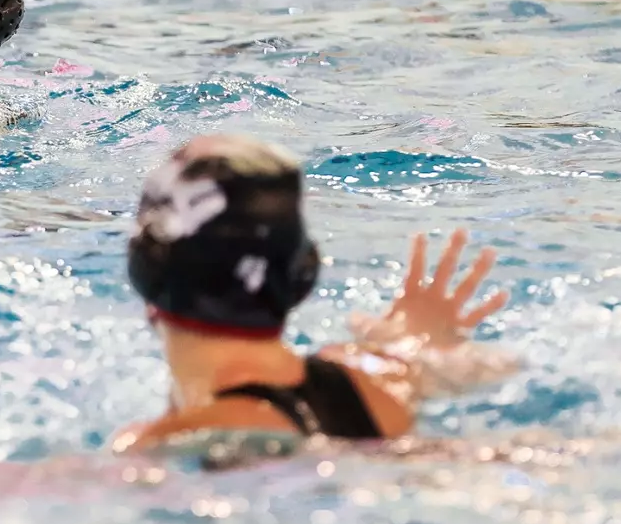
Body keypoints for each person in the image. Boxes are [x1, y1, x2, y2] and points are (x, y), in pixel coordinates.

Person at [112, 134, 515, 450]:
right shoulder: (375, 379)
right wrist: (412, 343)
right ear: (302, 274)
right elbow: (491, 367)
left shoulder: (154, 448)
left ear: (146, 272)